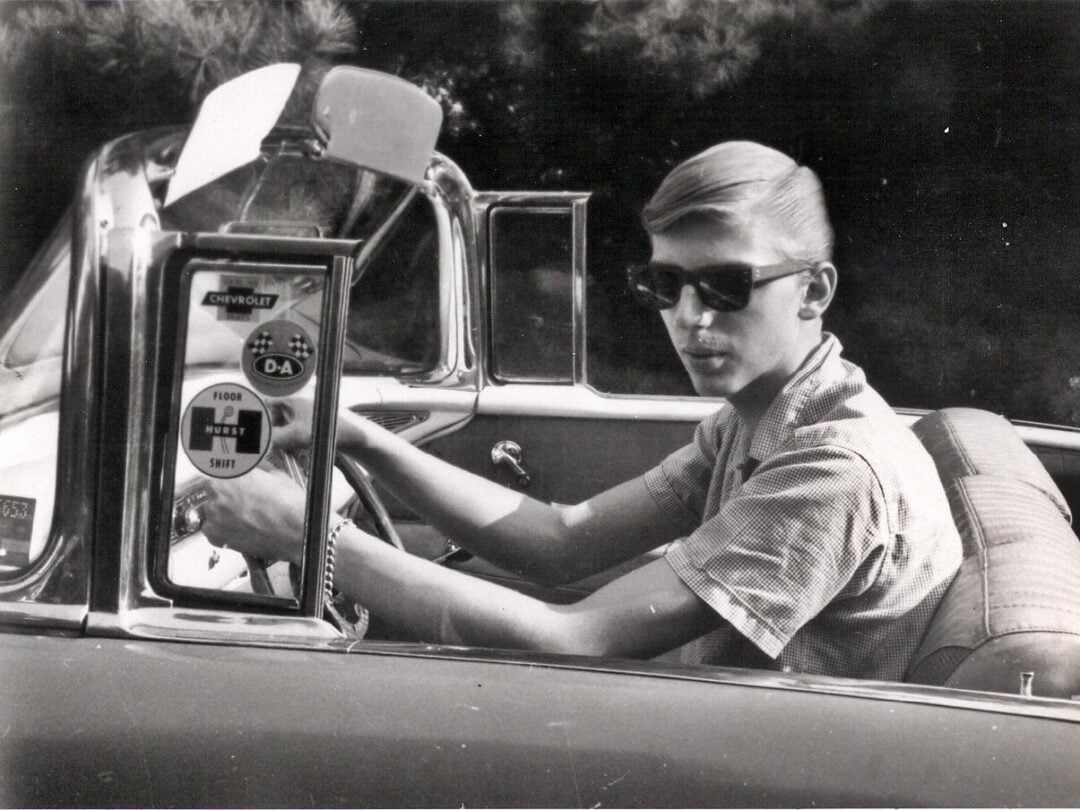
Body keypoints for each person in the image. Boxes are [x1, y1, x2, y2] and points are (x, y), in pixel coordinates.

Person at [202, 141, 962, 680]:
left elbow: (580, 641)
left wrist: (305, 534)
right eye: (667, 286)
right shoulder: (759, 418)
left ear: (815, 291)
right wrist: (357, 437)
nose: (691, 319)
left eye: (727, 285)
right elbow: (563, 540)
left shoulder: (835, 468)